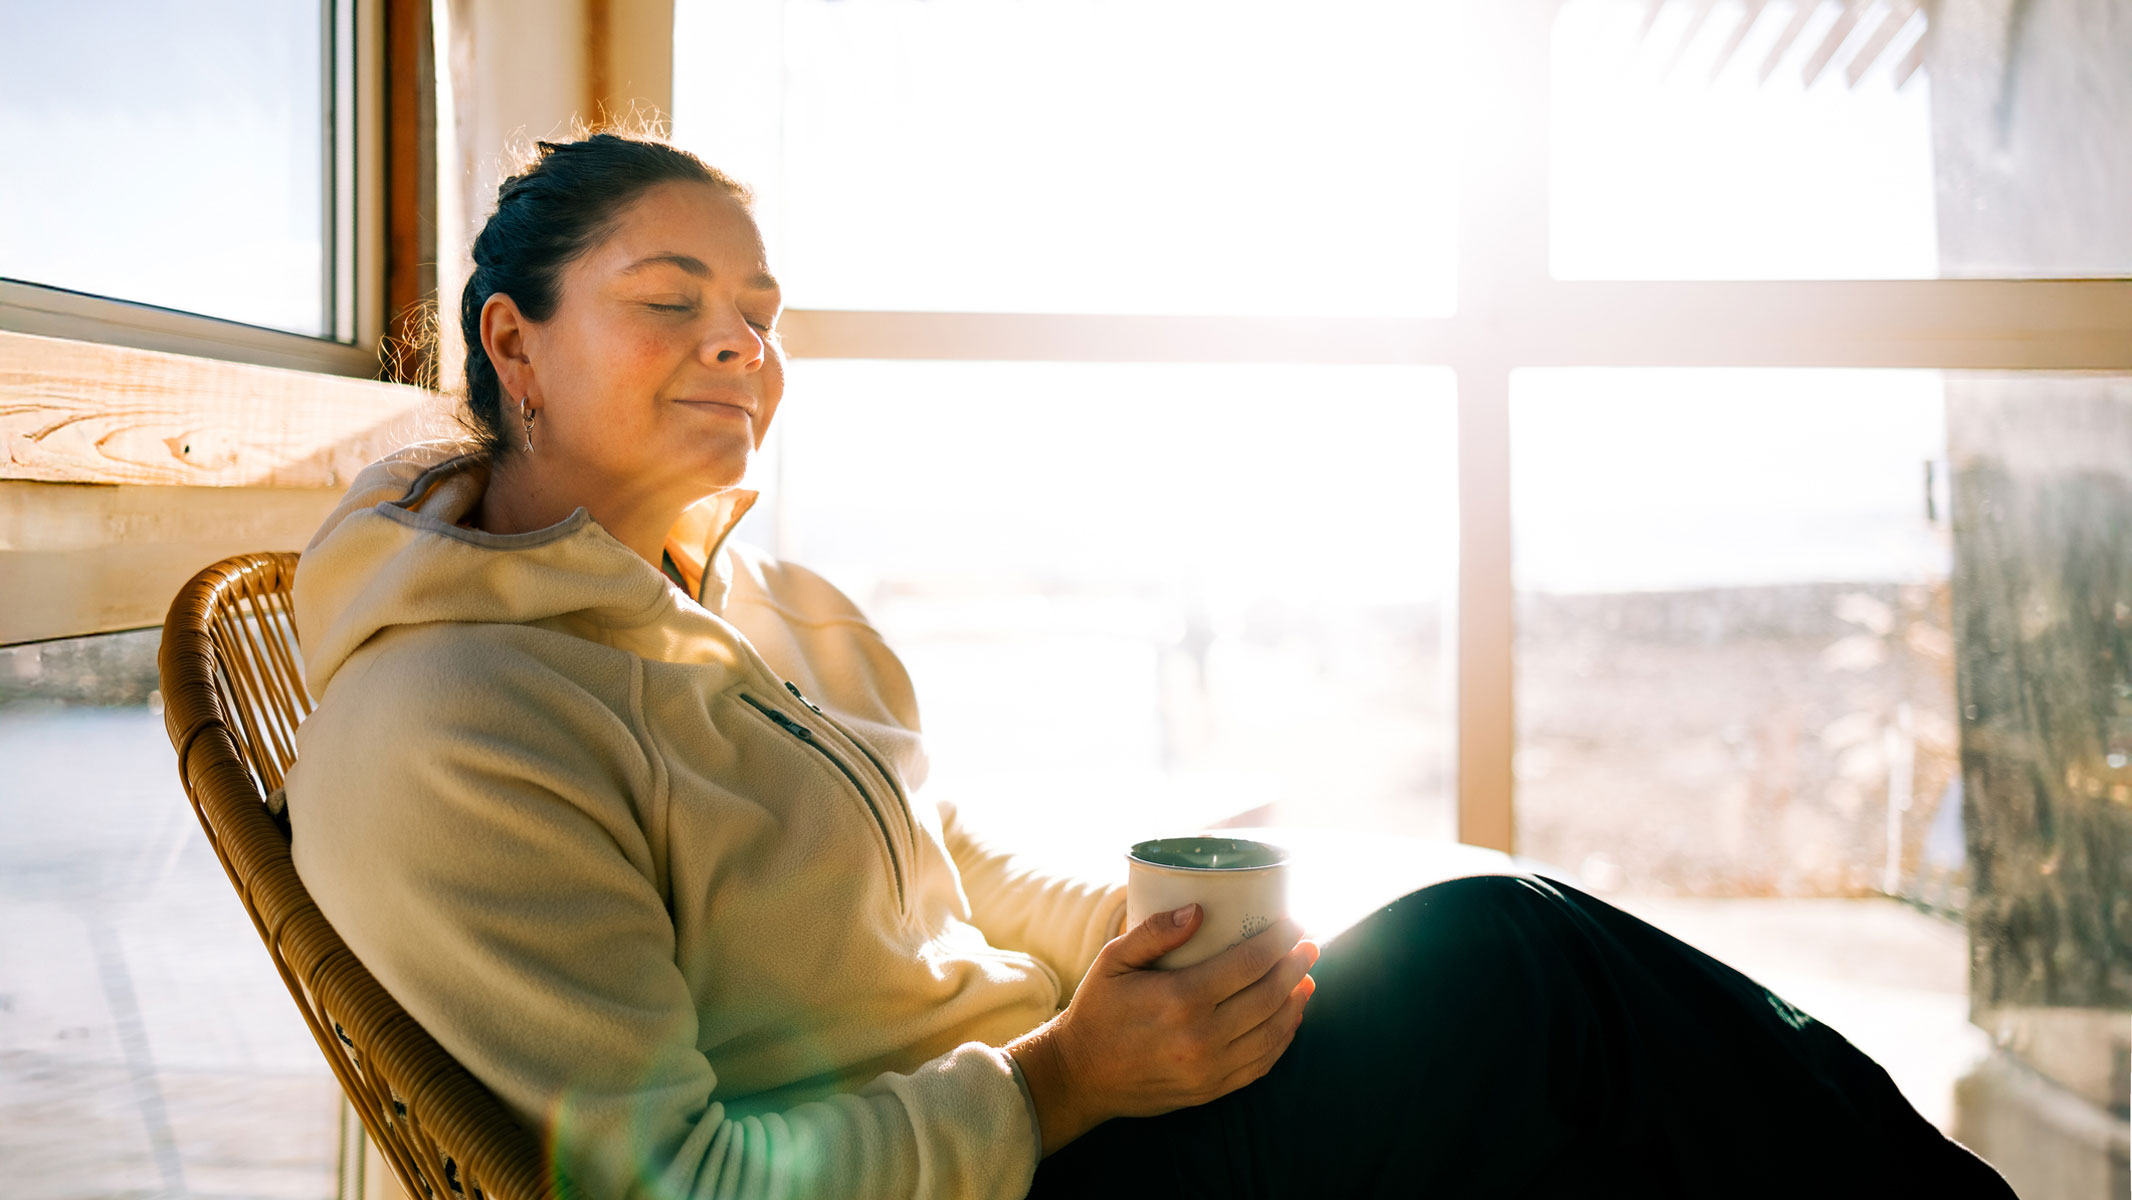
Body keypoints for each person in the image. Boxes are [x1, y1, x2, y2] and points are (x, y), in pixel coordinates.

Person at [285, 132, 2014, 1200]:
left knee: (1466, 962)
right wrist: (1069, 1081)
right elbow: (674, 1188)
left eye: (763, 305)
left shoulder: (767, 599)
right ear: (514, 340)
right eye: (673, 298)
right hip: (1022, 1173)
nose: (745, 341)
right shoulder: (457, 722)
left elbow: (939, 859)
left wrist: (1164, 942)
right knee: (1508, 972)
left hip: (1061, 1109)